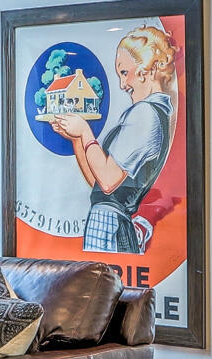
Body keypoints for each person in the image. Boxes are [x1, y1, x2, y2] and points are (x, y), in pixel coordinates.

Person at [50, 25, 175, 254]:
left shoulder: (145, 114)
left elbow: (108, 180)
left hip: (111, 225)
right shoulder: (149, 113)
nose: (122, 85)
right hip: (107, 221)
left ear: (147, 70)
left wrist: (86, 132)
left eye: (124, 73)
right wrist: (77, 139)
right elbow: (100, 185)